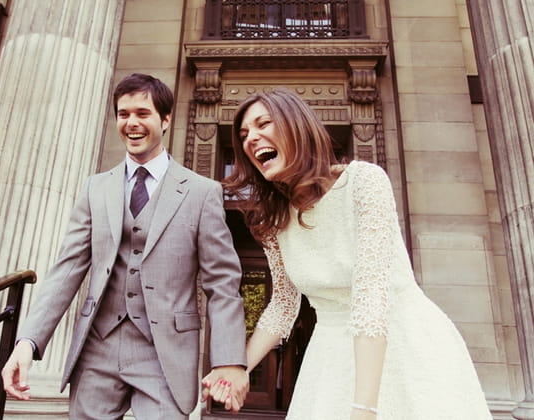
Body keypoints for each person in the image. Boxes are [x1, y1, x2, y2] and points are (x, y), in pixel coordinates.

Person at [210, 87, 493, 419]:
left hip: (403, 343)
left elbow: (372, 297)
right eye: (244, 135)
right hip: (330, 355)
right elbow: (283, 306)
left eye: (264, 124)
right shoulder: (274, 222)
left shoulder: (364, 182)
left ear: (296, 126)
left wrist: (364, 408)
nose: (251, 139)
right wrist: (240, 367)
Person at [1, 73, 249, 419]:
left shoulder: (200, 192)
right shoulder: (95, 188)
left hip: (165, 356)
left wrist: (229, 361)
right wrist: (27, 342)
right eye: (123, 113)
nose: (131, 123)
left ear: (165, 120)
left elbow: (222, 284)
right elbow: (66, 270)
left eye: (142, 113)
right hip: (96, 351)